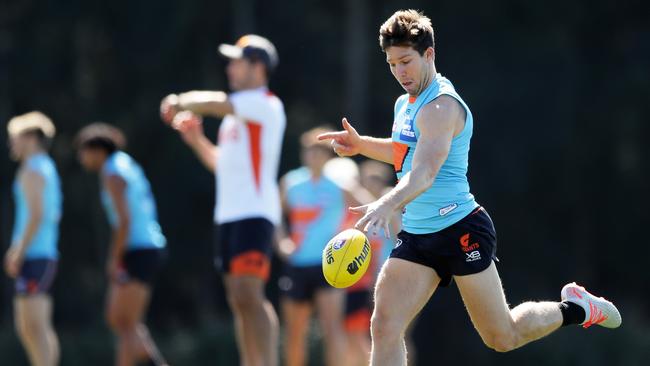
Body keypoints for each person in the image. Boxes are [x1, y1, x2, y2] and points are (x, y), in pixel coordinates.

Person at [318, 10, 621, 366]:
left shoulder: (441, 106)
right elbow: (405, 152)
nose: (400, 72)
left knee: (502, 336)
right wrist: (362, 144)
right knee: (384, 326)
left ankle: (575, 309)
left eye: (406, 61)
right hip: (418, 235)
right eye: (391, 64)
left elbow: (425, 173)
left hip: (461, 228)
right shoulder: (406, 103)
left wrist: (385, 203)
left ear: (428, 54)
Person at [160, 34, 285, 366]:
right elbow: (221, 164)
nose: (230, 67)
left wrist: (181, 101)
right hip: (228, 215)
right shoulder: (235, 117)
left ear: (257, 67)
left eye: (237, 61)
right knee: (237, 299)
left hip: (255, 213)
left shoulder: (264, 103)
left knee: (249, 294)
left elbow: (218, 101)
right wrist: (195, 140)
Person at [76, 123, 167, 366]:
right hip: (147, 248)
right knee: (123, 321)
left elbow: (124, 221)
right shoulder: (125, 163)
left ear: (97, 150)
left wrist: (114, 259)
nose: (81, 158)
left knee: (123, 320)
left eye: (83, 151)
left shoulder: (112, 171)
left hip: (138, 249)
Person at [276, 127, 348, 366]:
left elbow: (370, 207)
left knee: (332, 330)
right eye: (308, 151)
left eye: (318, 152)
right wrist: (281, 243)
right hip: (297, 263)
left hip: (329, 266)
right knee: (295, 334)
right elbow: (275, 216)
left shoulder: (340, 186)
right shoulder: (291, 183)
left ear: (327, 157)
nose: (312, 157)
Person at [5, 111, 61, 366]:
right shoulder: (45, 166)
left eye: (15, 137)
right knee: (30, 326)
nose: (11, 143)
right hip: (39, 253)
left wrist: (18, 250)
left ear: (30, 137)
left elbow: (37, 214)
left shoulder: (33, 170)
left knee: (35, 326)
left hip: (36, 254)